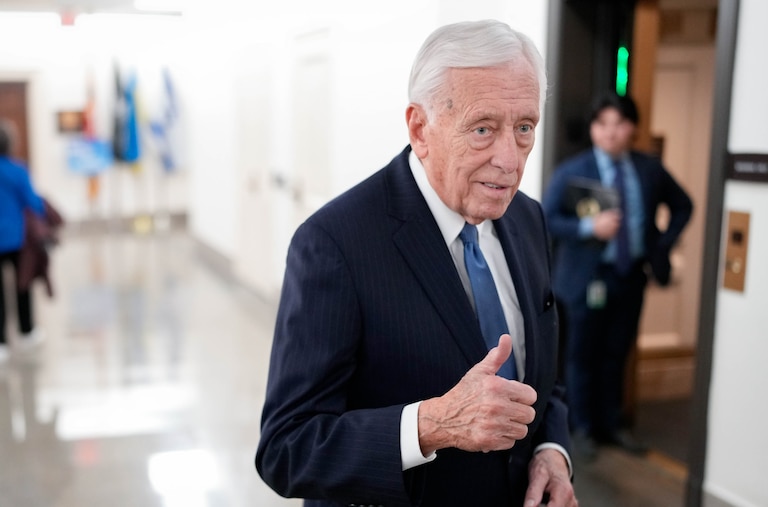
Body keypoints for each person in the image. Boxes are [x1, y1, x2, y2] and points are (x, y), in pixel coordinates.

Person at [256, 20, 577, 507]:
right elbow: (287, 448)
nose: (510, 160)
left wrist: (552, 452)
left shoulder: (528, 218)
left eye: (524, 128)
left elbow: (544, 380)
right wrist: (433, 424)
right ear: (420, 128)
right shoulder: (334, 243)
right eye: (483, 129)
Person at [541, 92, 693, 460]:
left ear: (633, 128)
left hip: (630, 275)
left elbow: (683, 204)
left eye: (619, 124)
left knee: (616, 353)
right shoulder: (573, 170)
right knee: (581, 355)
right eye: (602, 124)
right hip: (585, 279)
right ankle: (582, 429)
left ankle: (612, 425)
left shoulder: (648, 168)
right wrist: (589, 226)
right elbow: (546, 218)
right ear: (593, 130)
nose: (610, 132)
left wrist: (660, 244)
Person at [0, 119, 47, 362]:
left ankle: (1, 344)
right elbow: (34, 203)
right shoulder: (18, 171)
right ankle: (26, 331)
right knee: (23, 284)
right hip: (15, 239)